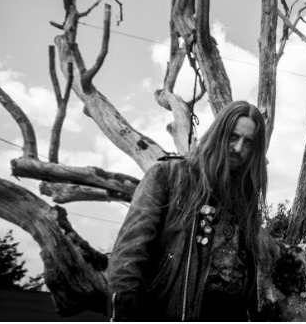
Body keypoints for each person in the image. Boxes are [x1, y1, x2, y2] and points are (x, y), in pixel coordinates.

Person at [107, 100, 268, 321]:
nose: (239, 148)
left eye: (248, 142)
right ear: (218, 133)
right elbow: (128, 257)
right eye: (233, 136)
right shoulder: (168, 175)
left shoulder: (246, 199)